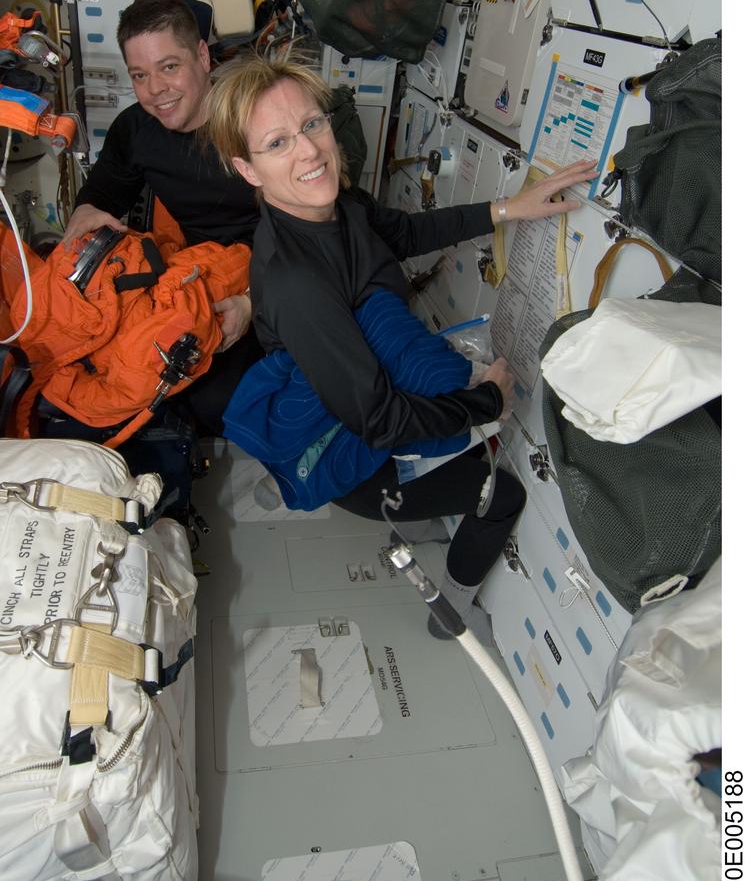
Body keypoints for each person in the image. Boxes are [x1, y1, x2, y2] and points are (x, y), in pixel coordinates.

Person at [205, 56, 597, 639]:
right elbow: (380, 420)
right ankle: (453, 609)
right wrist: (488, 402)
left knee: (446, 410)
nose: (310, 152)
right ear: (248, 168)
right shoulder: (298, 282)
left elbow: (405, 234)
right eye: (278, 142)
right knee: (502, 496)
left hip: (364, 399)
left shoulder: (340, 206)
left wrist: (509, 209)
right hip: (358, 456)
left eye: (312, 125)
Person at [61, 0, 366, 435]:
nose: (156, 91)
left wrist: (252, 301)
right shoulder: (137, 129)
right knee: (171, 392)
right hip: (206, 273)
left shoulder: (254, 117)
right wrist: (86, 213)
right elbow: (104, 191)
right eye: (140, 75)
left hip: (292, 266)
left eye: (169, 67)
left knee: (233, 402)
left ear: (203, 57)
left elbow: (329, 227)